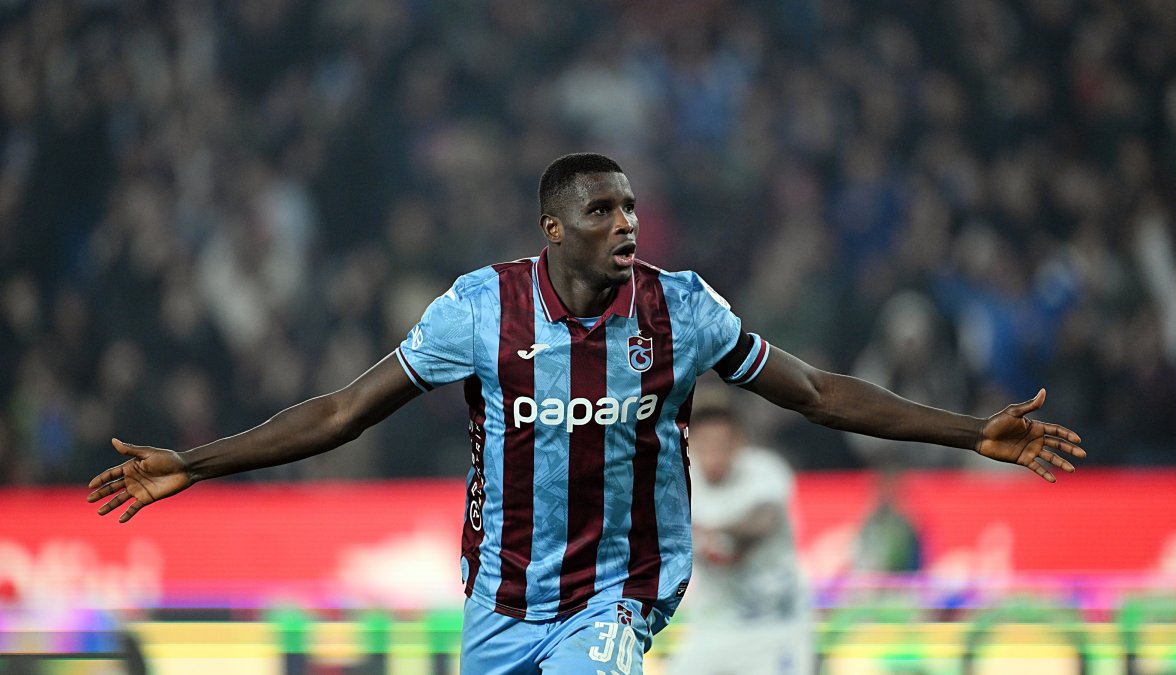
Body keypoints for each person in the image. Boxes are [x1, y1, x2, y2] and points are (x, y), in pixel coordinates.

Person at [86, 153, 1086, 675]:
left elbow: (819, 394)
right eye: (605, 211)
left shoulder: (682, 309)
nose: (628, 224)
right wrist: (199, 462)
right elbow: (345, 411)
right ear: (553, 226)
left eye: (634, 208)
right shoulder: (478, 311)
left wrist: (970, 432)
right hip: (501, 599)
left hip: (622, 588)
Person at [670, 396, 812, 675]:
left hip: (775, 624)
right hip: (713, 624)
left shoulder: (764, 470)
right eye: (705, 443)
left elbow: (763, 522)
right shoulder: (680, 483)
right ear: (692, 444)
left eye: (722, 444)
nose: (714, 453)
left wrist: (709, 531)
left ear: (738, 442)